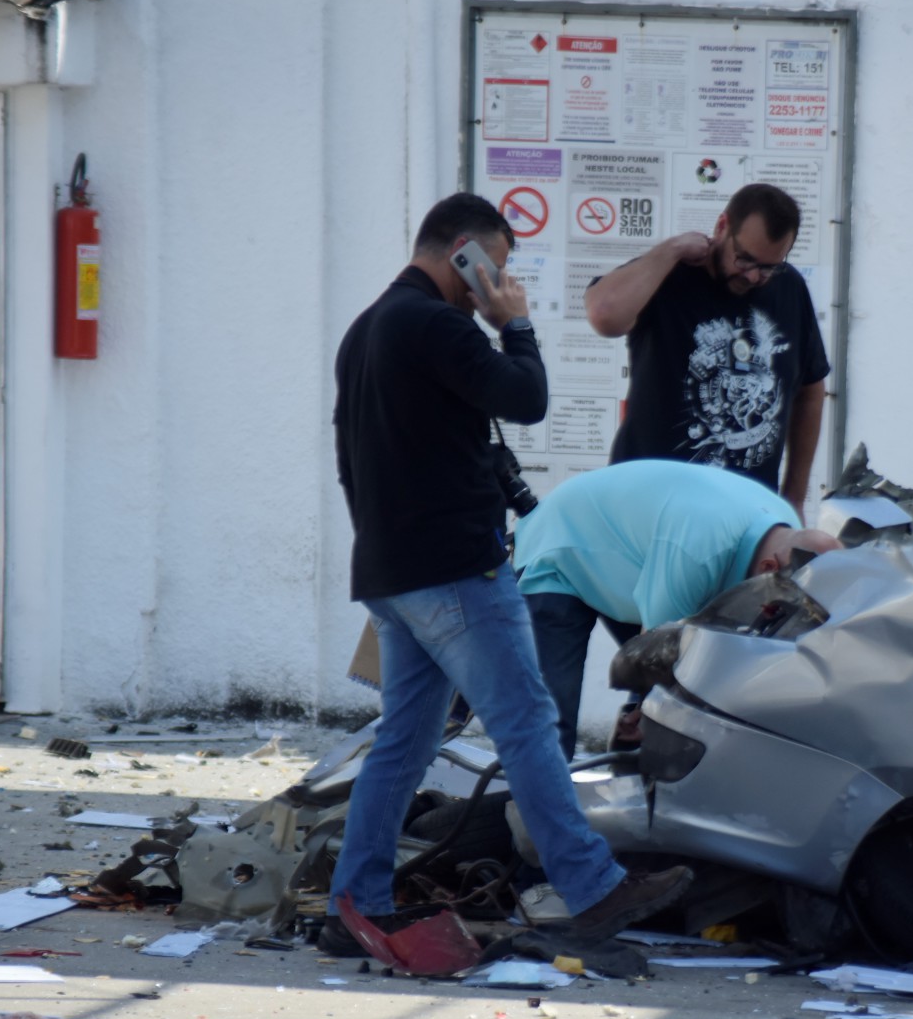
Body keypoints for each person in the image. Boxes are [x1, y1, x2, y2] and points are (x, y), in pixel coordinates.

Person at [327, 192, 690, 955]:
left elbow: (349, 459)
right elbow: (526, 399)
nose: (496, 280)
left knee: (404, 741)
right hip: (456, 568)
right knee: (526, 721)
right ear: (465, 250)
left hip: (394, 573)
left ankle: (355, 900)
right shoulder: (432, 322)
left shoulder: (367, 329)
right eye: (496, 265)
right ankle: (592, 887)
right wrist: (514, 322)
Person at [514, 460, 843, 760]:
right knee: (553, 722)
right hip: (562, 544)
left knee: (667, 700)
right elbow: (650, 654)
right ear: (768, 567)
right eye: (782, 607)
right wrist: (648, 708)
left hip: (630, 555)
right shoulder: (697, 555)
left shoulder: (780, 525)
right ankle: (536, 821)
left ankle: (628, 796)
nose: (776, 616)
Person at [584, 183, 829, 519]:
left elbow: (811, 391)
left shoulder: (789, 287)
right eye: (744, 259)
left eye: (770, 266)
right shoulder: (668, 275)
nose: (755, 276)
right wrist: (671, 249)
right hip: (648, 508)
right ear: (722, 226)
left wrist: (795, 498)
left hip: (744, 517)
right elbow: (604, 316)